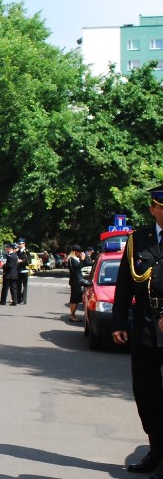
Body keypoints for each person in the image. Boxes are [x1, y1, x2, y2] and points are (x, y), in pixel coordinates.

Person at [114, 185, 163, 477]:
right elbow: (124, 285)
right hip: (145, 323)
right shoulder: (138, 240)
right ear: (153, 209)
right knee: (146, 391)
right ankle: (156, 449)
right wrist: (119, 322)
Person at [66, 245, 88, 322]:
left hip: (76, 281)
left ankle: (73, 315)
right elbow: (78, 268)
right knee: (75, 299)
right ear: (75, 252)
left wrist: (84, 259)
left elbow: (85, 264)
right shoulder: (72, 260)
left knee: (75, 299)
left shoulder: (75, 259)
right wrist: (81, 260)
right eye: (79, 252)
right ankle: (72, 315)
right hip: (75, 282)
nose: (80, 254)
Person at [16, 238, 30, 305]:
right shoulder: (17, 252)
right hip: (18, 270)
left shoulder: (26, 251)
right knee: (18, 285)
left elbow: (28, 261)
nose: (19, 245)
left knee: (25, 285)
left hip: (24, 270)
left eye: (20, 243)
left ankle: (24, 299)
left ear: (24, 244)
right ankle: (18, 299)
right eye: (18, 243)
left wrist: (21, 261)